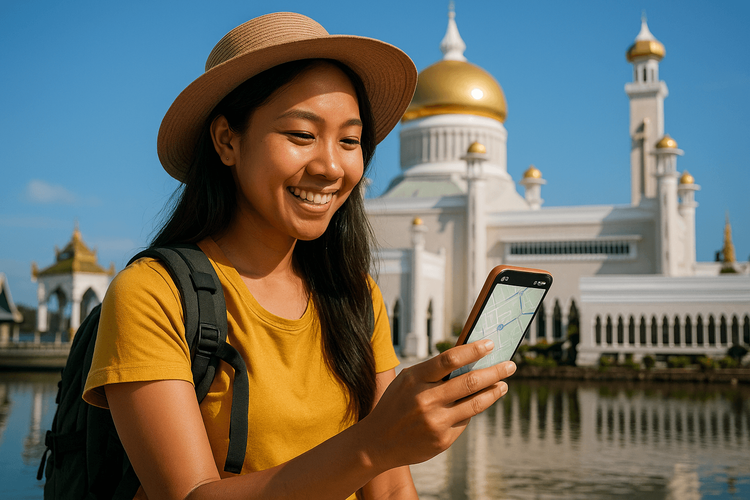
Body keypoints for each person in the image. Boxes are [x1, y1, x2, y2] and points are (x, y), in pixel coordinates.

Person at [83, 12, 516, 500]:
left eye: (350, 141)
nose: (331, 166)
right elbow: (190, 495)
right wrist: (375, 444)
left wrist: (389, 446)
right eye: (301, 135)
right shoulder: (154, 294)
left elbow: (392, 490)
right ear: (227, 139)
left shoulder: (353, 296)